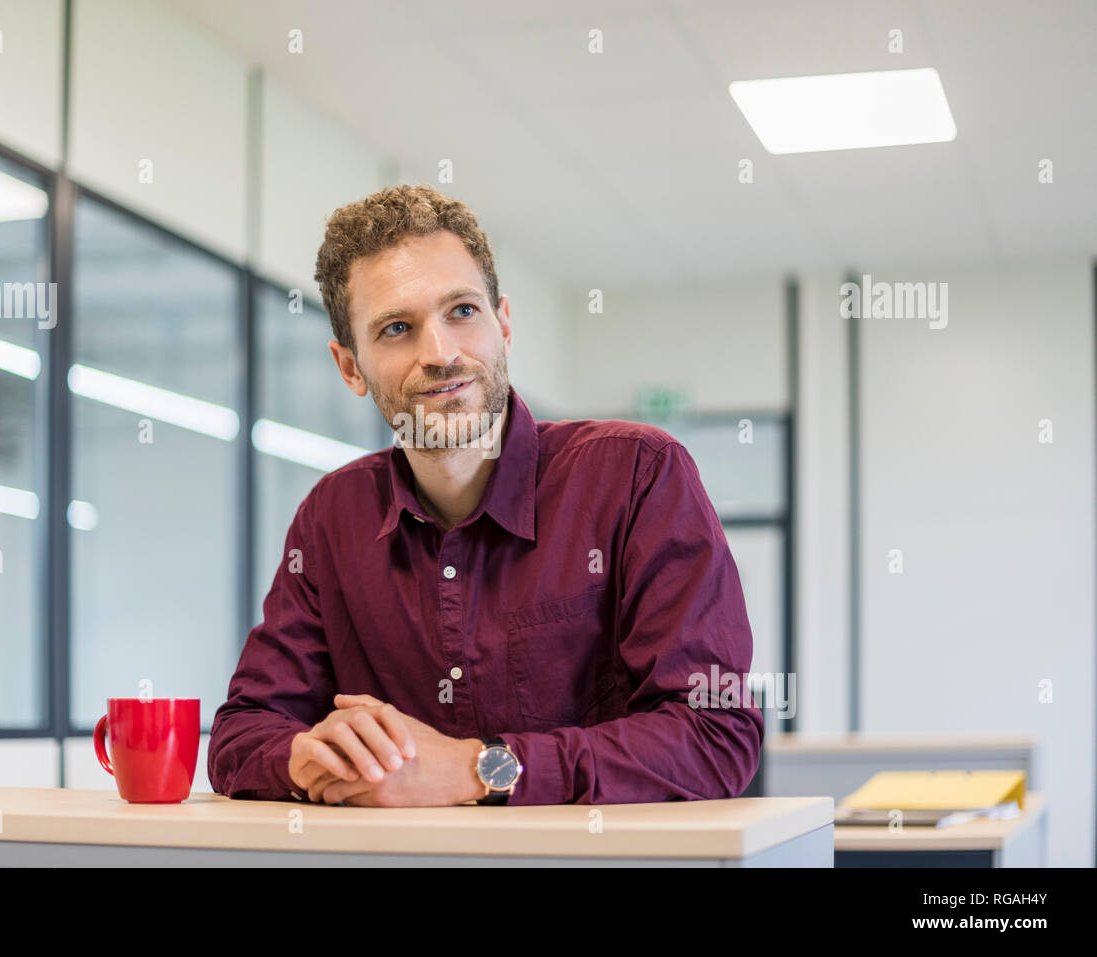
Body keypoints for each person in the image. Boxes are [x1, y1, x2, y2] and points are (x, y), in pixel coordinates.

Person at [208, 183, 763, 806]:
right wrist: (304, 759)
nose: (440, 353)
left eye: (462, 312)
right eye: (397, 328)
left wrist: (479, 769)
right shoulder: (332, 519)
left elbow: (715, 736)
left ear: (502, 321)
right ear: (350, 367)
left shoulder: (637, 476)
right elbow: (241, 733)